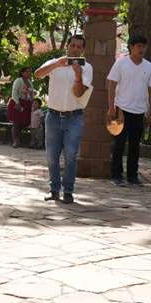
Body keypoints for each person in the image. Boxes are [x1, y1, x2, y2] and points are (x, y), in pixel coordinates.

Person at [35, 35, 94, 203]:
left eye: (79, 47)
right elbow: (38, 74)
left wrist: (78, 76)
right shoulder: (56, 62)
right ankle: (54, 190)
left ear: (83, 50)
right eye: (72, 45)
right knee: (52, 156)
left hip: (74, 117)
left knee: (70, 155)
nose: (75, 49)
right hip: (53, 115)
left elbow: (79, 93)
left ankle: (68, 191)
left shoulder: (87, 68)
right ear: (68, 46)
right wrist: (56, 64)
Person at [107, 35, 151, 187]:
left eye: (143, 46)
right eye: (138, 46)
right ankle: (116, 175)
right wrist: (111, 108)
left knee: (135, 145)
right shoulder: (121, 63)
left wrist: (150, 112)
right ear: (131, 47)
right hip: (121, 109)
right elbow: (111, 85)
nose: (141, 49)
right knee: (119, 143)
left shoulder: (149, 66)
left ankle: (132, 176)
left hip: (140, 111)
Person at [7, 67, 34, 147]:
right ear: (22, 73)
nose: (29, 73)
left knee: (23, 122)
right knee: (16, 122)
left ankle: (19, 139)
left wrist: (32, 102)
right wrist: (17, 103)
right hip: (17, 102)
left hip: (27, 103)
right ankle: (15, 141)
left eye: (30, 72)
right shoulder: (18, 80)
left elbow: (31, 93)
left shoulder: (29, 82)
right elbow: (14, 92)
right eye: (27, 71)